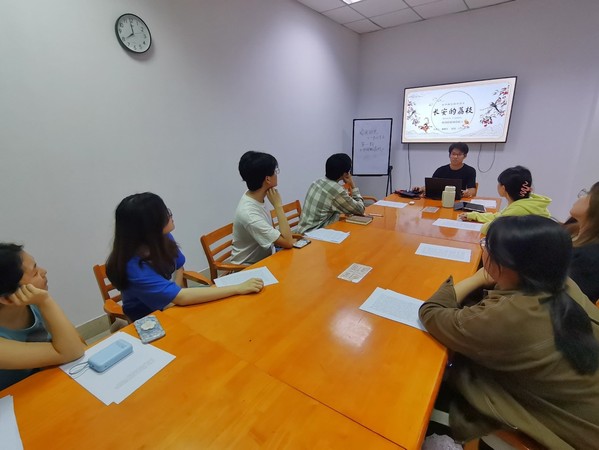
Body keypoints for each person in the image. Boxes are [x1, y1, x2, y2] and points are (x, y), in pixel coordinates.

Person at [419, 216, 599, 448]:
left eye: (487, 245)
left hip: (566, 430)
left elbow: (431, 313)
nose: (483, 249)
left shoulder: (510, 316)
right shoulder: (563, 284)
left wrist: (477, 278)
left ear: (506, 264)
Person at [106, 193, 263, 322]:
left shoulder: (163, 238)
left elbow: (179, 268)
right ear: (149, 227)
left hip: (172, 304)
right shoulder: (133, 268)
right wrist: (237, 288)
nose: (170, 216)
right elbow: (180, 298)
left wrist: (174, 294)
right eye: (164, 214)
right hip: (148, 319)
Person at [0, 243, 85, 390]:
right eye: (35, 273)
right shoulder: (41, 301)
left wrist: (44, 302)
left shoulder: (33, 304)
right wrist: (46, 301)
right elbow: (73, 351)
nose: (44, 271)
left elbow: (79, 344)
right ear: (8, 298)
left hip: (50, 382)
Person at [230, 151, 295, 265]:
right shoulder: (249, 214)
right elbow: (288, 242)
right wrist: (278, 206)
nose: (277, 174)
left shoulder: (255, 195)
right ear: (268, 179)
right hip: (249, 267)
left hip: (268, 255)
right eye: (275, 171)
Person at [459, 165, 552, 234]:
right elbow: (499, 217)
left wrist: (481, 221)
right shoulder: (527, 202)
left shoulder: (518, 209)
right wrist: (474, 215)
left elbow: (488, 229)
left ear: (503, 188)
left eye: (499, 183)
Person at [297, 153, 365, 234]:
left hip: (301, 231)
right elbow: (360, 209)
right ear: (345, 174)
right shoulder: (336, 190)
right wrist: (352, 185)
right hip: (313, 235)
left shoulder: (317, 182)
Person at [565, 182, 599, 302]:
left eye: (588, 193)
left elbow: (566, 301)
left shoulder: (590, 258)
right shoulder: (570, 232)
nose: (581, 196)